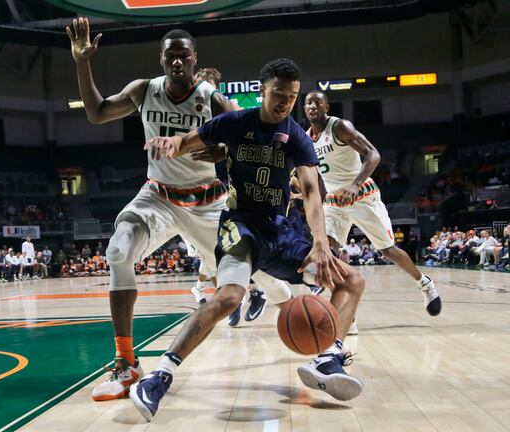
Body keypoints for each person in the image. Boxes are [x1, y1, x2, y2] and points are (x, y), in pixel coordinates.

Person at [130, 59, 366, 421]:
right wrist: (171, 143)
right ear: (262, 91)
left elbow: (311, 189)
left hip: (279, 232)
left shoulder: (298, 136)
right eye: (278, 94)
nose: (285, 102)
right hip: (239, 226)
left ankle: (329, 358)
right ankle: (160, 376)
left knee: (351, 279)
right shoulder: (236, 122)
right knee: (228, 298)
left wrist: (320, 242)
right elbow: (188, 141)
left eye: (291, 96)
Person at [67, 19, 235, 401]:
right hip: (158, 194)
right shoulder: (144, 90)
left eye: (184, 57)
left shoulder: (212, 98)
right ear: (161, 59)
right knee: (118, 249)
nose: (177, 62)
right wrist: (82, 62)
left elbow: (229, 149)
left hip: (208, 201)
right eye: (171, 56)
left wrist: (185, 145)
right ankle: (126, 363)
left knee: (247, 280)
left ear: (195, 59)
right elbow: (96, 113)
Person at [304, 90, 441, 323]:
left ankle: (424, 283)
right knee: (327, 250)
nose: (313, 106)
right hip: (335, 202)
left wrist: (355, 185)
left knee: (388, 251)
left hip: (362, 196)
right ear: (305, 109)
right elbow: (318, 175)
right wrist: (315, 197)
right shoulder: (307, 138)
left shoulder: (340, 127)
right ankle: (346, 312)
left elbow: (373, 154)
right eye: (308, 103)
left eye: (318, 102)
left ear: (327, 107)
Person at [192, 66, 268, 324]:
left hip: (229, 184)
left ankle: (253, 291)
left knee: (225, 247)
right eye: (200, 82)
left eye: (209, 83)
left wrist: (223, 148)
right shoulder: (192, 110)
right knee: (208, 254)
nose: (204, 87)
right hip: (190, 191)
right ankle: (227, 295)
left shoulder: (229, 107)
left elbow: (250, 139)